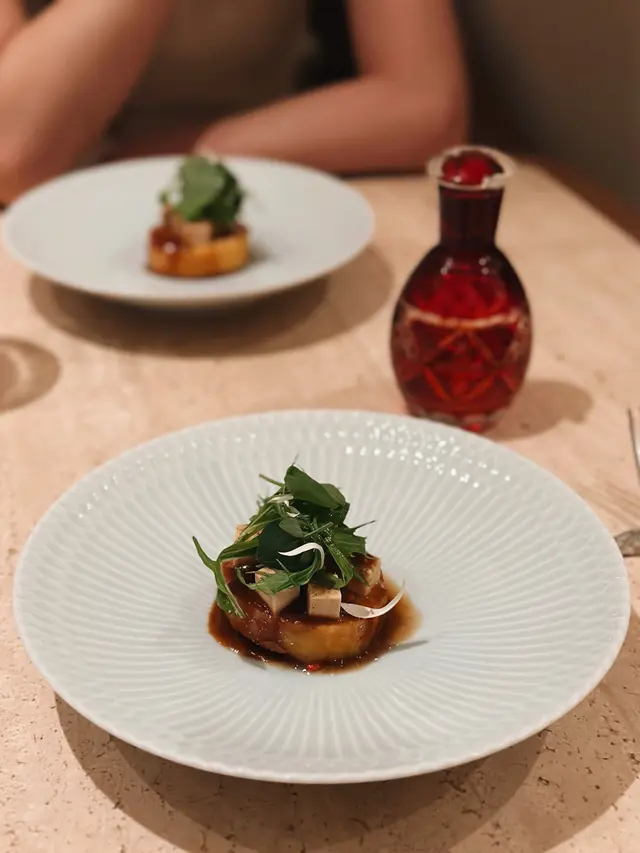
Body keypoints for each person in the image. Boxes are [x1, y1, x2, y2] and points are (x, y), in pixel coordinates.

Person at [0, 0, 467, 204]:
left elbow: (422, 103)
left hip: (261, 196)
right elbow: (12, 154)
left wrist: (155, 162)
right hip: (43, 233)